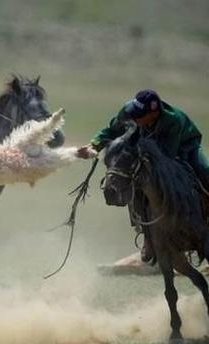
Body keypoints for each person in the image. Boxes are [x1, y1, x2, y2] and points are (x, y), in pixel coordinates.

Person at [77, 89, 209, 263]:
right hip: (145, 150)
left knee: (205, 173)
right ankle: (148, 236)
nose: (134, 117)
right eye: (134, 112)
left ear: (154, 113)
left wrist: (142, 156)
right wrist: (94, 145)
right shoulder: (129, 111)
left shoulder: (174, 120)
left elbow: (167, 155)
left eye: (140, 115)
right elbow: (111, 131)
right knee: (135, 181)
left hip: (183, 148)